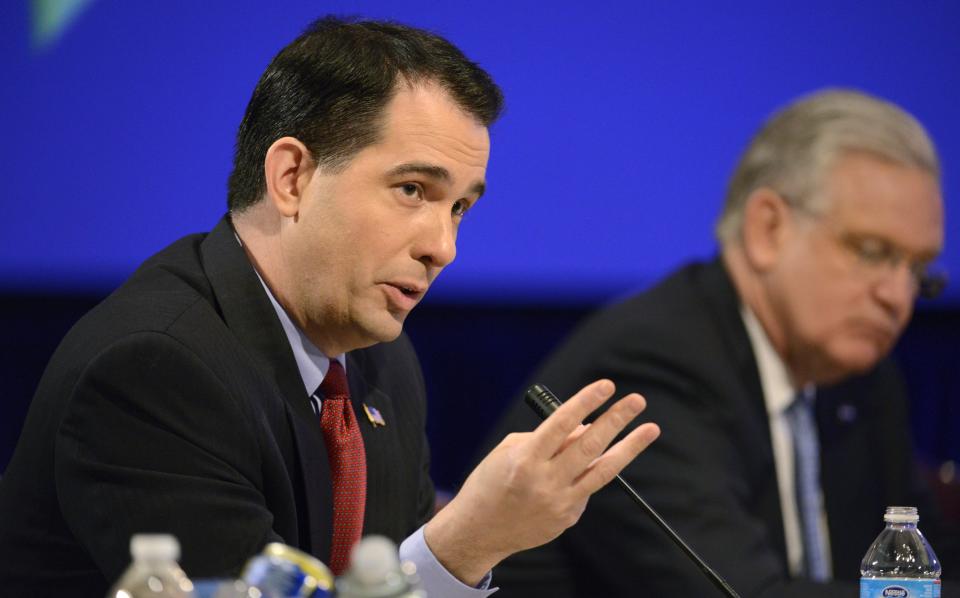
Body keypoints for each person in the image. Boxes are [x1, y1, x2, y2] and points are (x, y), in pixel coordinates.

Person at [0, 17, 660, 597]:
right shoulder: (154, 370)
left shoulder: (382, 365)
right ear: (291, 177)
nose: (444, 247)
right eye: (412, 190)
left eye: (460, 208)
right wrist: (460, 548)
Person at [483, 89, 952, 597]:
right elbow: (736, 593)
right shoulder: (655, 362)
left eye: (918, 271)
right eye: (871, 251)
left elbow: (917, 564)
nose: (897, 295)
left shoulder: (859, 379)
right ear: (767, 228)